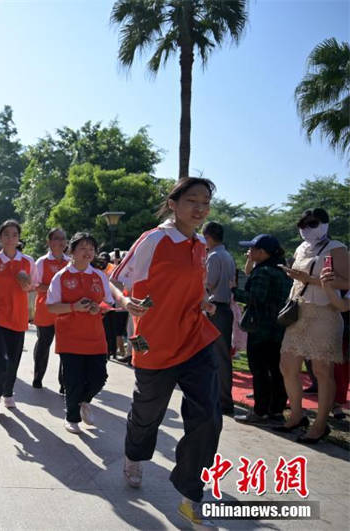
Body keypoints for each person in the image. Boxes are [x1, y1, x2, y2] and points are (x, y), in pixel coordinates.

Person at [111, 177, 221, 525]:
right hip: (152, 341)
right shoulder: (155, 239)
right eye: (192, 200)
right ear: (173, 204)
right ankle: (134, 455)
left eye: (205, 201)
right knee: (148, 411)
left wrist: (202, 301)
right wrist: (125, 302)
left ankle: (191, 491)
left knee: (208, 415)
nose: (200, 208)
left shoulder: (200, 243)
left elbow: (192, 284)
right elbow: (115, 281)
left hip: (195, 337)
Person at [46, 232, 143, 433]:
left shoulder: (99, 276)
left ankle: (84, 400)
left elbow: (108, 302)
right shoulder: (61, 277)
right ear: (72, 251)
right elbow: (51, 307)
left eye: (91, 248)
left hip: (95, 336)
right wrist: (74, 307)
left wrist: (98, 308)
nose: (87, 252)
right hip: (70, 337)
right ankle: (72, 418)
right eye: (82, 248)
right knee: (73, 379)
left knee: (99, 376)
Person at [277, 208, 348, 443]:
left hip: (325, 313)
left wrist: (311, 280)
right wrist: (294, 275)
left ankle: (320, 425)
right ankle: (297, 415)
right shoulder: (301, 248)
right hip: (298, 311)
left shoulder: (336, 247)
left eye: (312, 224)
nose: (306, 229)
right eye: (303, 225)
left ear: (325, 224)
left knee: (322, 370)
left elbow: (347, 281)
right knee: (287, 365)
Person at [0, 220, 37, 416]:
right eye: (6, 234)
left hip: (17, 317)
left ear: (18, 238)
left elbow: (33, 286)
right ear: (0, 237)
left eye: (14, 234)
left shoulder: (28, 261)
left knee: (12, 360)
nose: (10, 238)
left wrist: (26, 283)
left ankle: (8, 393)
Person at [231, 234, 291, 424]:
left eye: (252, 248)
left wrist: (233, 290)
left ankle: (259, 411)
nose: (249, 251)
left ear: (262, 252)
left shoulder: (263, 272)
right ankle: (276, 410)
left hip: (261, 329)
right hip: (278, 328)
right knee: (276, 370)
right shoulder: (281, 270)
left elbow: (255, 299)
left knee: (259, 371)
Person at [202, 221, 237, 416]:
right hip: (223, 307)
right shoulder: (227, 255)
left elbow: (209, 283)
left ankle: (223, 400)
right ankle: (221, 397)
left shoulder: (214, 256)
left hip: (216, 308)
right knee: (220, 355)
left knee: (219, 356)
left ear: (208, 237)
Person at [32, 228, 69, 390]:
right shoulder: (42, 262)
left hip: (65, 311)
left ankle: (64, 383)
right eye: (57, 238)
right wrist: (55, 288)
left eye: (63, 239)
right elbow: (36, 285)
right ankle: (38, 377)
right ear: (49, 242)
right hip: (45, 310)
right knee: (44, 343)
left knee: (66, 347)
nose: (61, 242)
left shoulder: (70, 262)